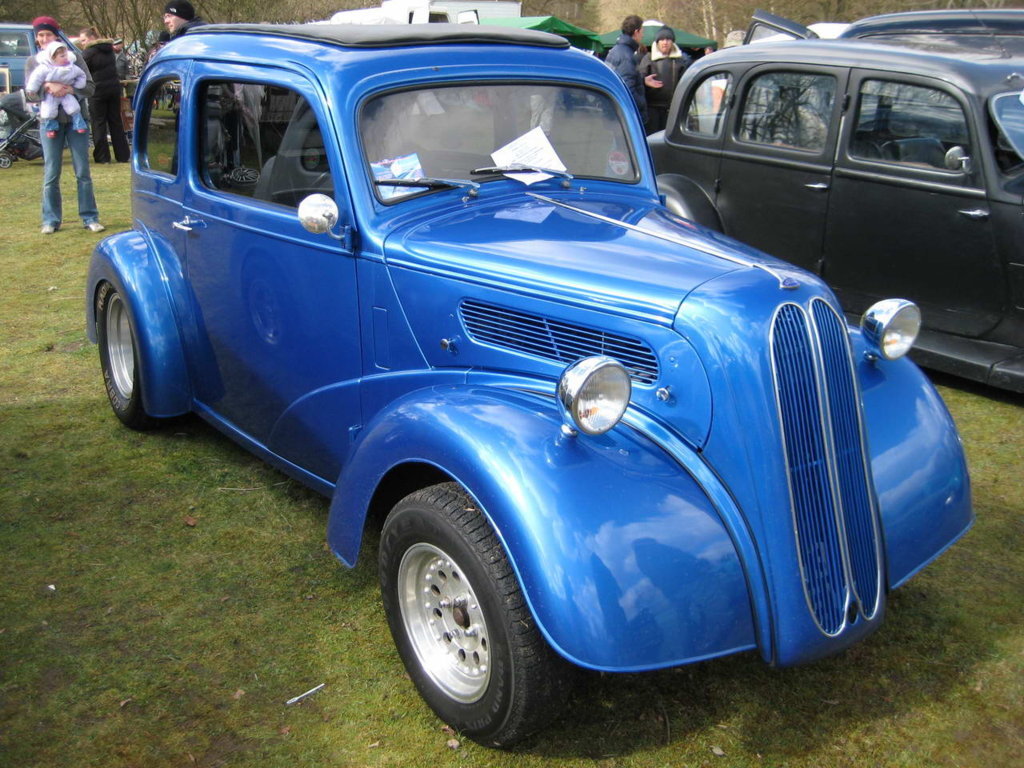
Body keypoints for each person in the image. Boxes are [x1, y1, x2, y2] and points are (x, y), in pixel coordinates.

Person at [23, 16, 104, 235]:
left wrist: (69, 89)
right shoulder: (33, 62)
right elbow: (30, 94)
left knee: (82, 171)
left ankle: (90, 216)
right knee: (51, 172)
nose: (44, 39)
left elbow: (90, 87)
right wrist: (48, 87)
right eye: (41, 35)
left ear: (57, 36)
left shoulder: (75, 58)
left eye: (48, 34)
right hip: (49, 122)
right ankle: (51, 219)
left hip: (76, 122)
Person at [79, 26, 130, 164]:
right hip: (113, 89)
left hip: (97, 91)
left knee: (98, 123)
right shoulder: (109, 50)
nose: (82, 43)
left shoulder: (88, 53)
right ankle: (123, 155)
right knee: (116, 122)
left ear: (91, 38)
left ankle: (102, 156)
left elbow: (81, 71)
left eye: (83, 40)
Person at [24, 41, 90, 139]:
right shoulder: (43, 67)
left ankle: (79, 123)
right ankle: (51, 127)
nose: (65, 58)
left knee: (74, 107)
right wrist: (40, 87)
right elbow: (35, 79)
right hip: (51, 96)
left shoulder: (71, 65)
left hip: (67, 94)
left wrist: (74, 87)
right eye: (62, 56)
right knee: (48, 110)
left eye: (66, 55)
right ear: (53, 57)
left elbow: (83, 77)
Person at [605, 15, 660, 127]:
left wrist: (643, 81)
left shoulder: (616, 50)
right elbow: (628, 90)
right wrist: (642, 107)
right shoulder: (627, 56)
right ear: (636, 32)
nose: (643, 35)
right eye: (642, 31)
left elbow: (622, 78)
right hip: (628, 117)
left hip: (615, 113)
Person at [638, 26, 692, 134]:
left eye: (668, 39)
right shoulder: (648, 58)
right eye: (662, 39)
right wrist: (644, 81)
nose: (665, 42)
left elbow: (685, 83)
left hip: (673, 108)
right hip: (652, 109)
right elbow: (638, 80)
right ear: (657, 42)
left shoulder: (680, 60)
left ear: (672, 42)